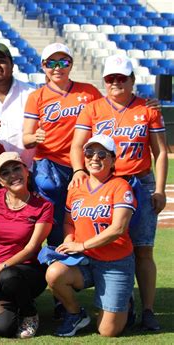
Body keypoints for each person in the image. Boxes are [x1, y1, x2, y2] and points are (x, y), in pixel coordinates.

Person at [70, 55, 168, 331]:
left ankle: (148, 308)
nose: (115, 83)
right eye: (110, 79)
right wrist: (79, 171)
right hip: (103, 183)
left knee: (143, 249)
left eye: (121, 78)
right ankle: (119, 299)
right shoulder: (92, 108)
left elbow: (160, 152)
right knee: (109, 243)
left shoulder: (148, 109)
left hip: (139, 181)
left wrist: (159, 188)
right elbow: (78, 145)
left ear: (132, 81)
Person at [46, 135, 137, 337]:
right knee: (54, 273)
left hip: (115, 262)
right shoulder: (76, 186)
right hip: (85, 261)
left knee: (108, 331)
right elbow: (69, 222)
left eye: (102, 154)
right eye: (89, 153)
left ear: (113, 160)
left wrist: (82, 245)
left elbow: (118, 229)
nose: (94, 158)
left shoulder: (121, 186)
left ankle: (126, 301)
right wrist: (69, 239)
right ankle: (76, 314)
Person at [22, 43, 102, 248]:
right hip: (50, 164)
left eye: (63, 62)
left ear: (71, 64)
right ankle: (51, 261)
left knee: (83, 215)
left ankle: (78, 265)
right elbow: (26, 138)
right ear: (43, 66)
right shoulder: (36, 96)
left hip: (84, 165)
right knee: (52, 220)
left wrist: (144, 103)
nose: (57, 68)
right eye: (52, 63)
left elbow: (107, 113)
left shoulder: (89, 91)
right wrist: (35, 136)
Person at [0, 152, 53, 338]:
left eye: (17, 168)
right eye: (5, 173)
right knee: (2, 329)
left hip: (27, 272)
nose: (13, 175)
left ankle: (29, 312)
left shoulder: (43, 206)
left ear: (27, 171)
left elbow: (31, 249)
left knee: (8, 275)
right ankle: (14, 307)